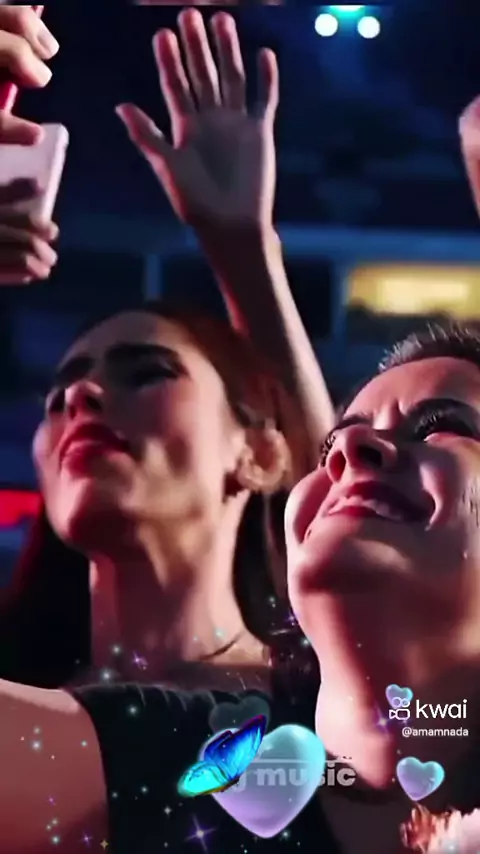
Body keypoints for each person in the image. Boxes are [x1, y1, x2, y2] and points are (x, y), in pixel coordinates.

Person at [3, 320, 480, 854]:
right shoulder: (187, 757)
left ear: (263, 453)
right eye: (329, 447)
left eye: (441, 425)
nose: (348, 448)